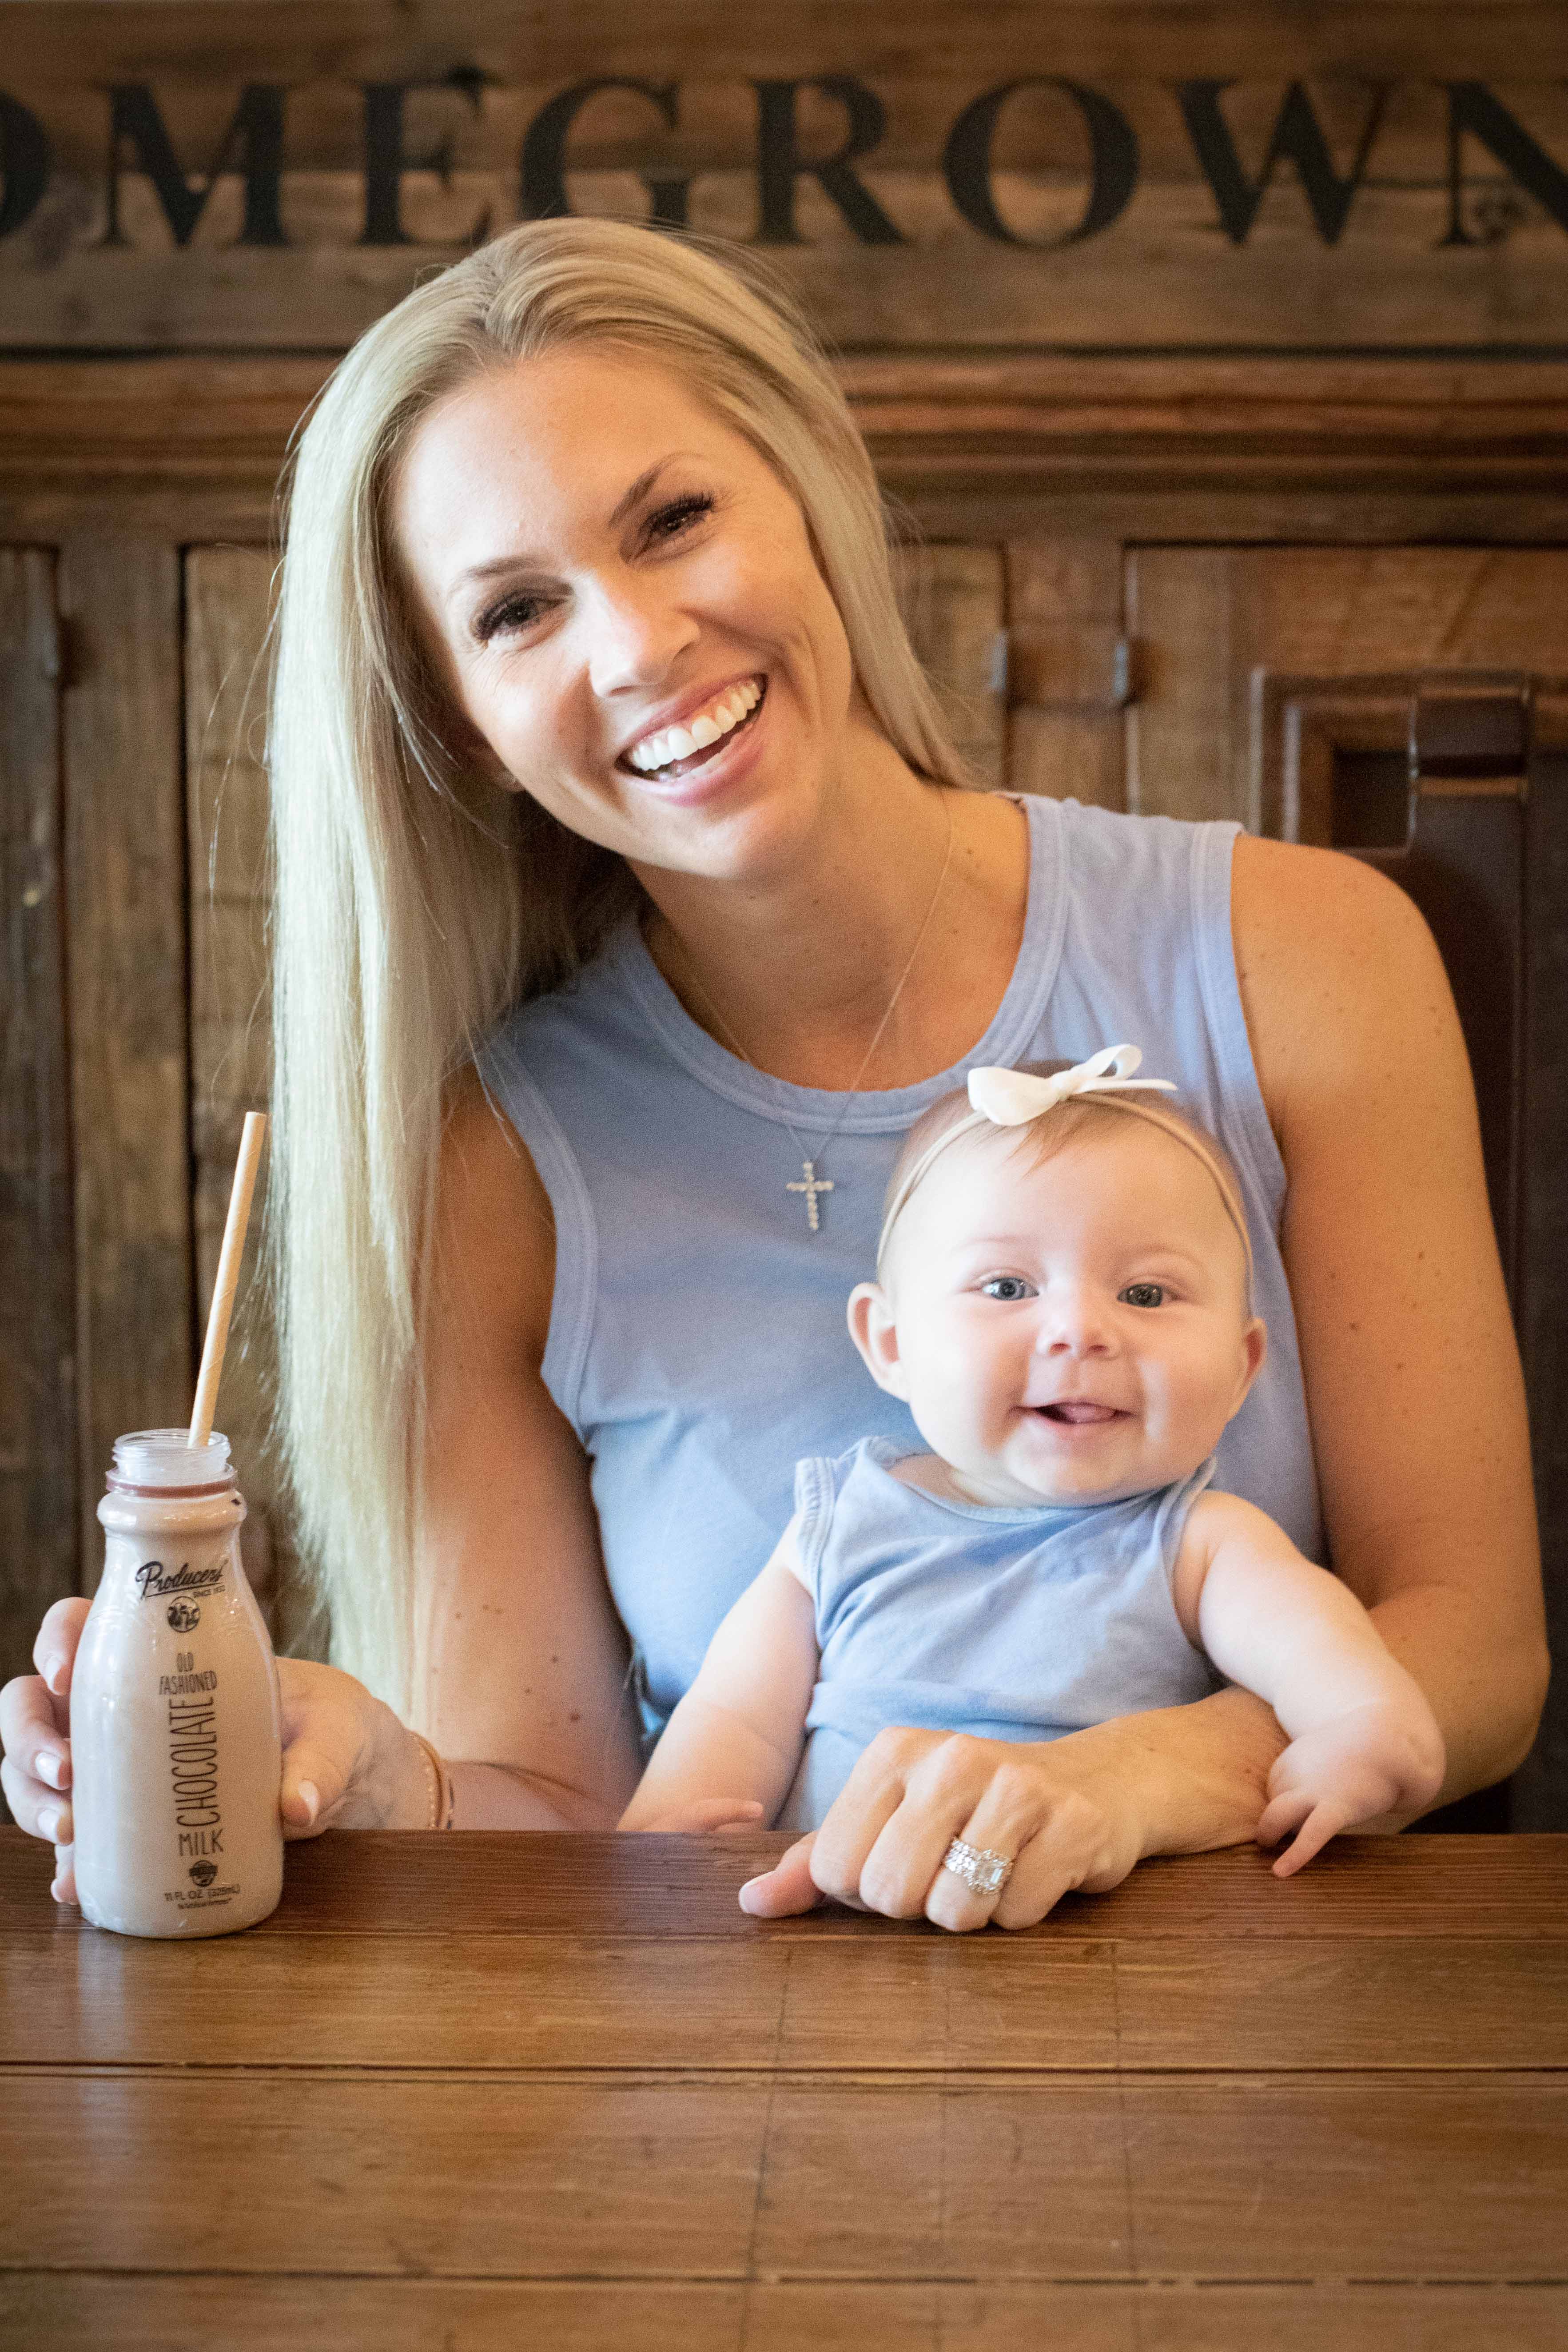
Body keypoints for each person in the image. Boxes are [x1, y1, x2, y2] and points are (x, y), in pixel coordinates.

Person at [0, 219, 1547, 1933]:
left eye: (674, 520)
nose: (639, 642)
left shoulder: (1310, 955)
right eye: (519, 609)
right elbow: (579, 1816)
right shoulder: (493, 1163)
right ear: (458, 722)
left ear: (808, 491)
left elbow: (1475, 1643)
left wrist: (1148, 1775)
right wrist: (378, 1777)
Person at [620, 1054, 1447, 1926]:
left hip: (1103, 1938)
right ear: (889, 1341)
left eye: (1145, 1291)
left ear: (1242, 1367)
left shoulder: (1201, 1542)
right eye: (1008, 1286)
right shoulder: (838, 1528)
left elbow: (1340, 1679)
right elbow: (735, 1719)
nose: (1080, 1330)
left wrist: (1364, 1738)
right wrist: (669, 1820)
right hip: (835, 1918)